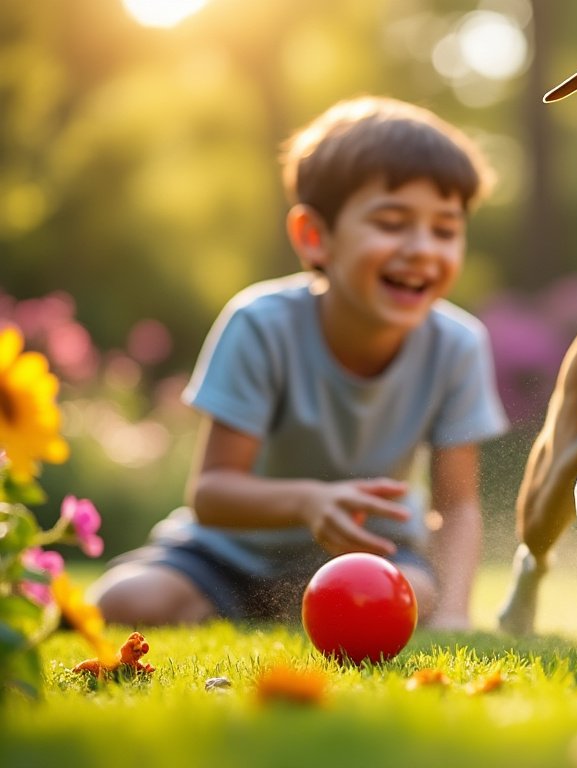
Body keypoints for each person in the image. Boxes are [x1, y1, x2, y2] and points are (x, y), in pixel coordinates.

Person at [89, 96, 509, 630]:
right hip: (227, 556)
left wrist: (453, 613)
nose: (423, 249)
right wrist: (309, 502)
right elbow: (211, 493)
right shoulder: (260, 325)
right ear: (315, 237)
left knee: (419, 593)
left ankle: (300, 610)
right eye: (392, 223)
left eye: (445, 230)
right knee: (126, 601)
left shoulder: (458, 343)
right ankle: (239, 605)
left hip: (368, 555)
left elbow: (458, 506)